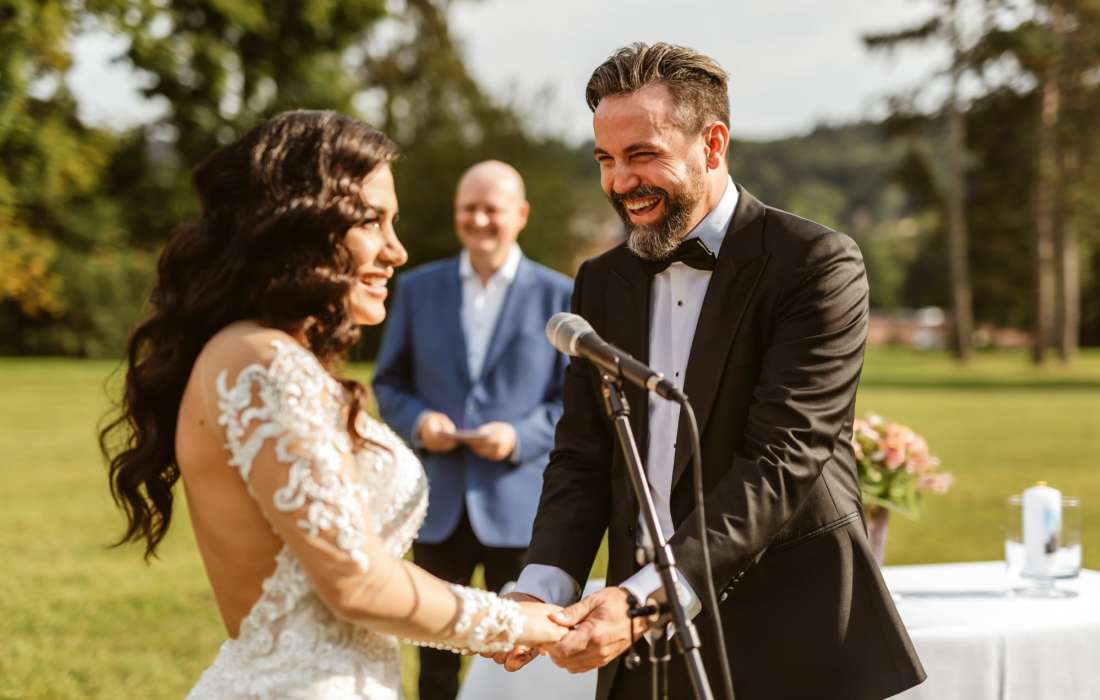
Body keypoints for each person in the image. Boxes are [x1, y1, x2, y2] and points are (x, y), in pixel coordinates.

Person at [500, 43, 927, 700]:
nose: (620, 181)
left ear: (713, 144)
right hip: (642, 652)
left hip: (793, 638)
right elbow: (583, 455)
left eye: (642, 154)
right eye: (606, 160)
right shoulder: (600, 282)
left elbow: (781, 460)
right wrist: (540, 588)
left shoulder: (816, 264)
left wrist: (645, 599)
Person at [98, 110, 566, 700]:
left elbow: (356, 568)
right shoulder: (263, 364)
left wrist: (499, 620)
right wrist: (515, 622)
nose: (397, 251)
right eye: (373, 221)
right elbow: (358, 585)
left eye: (393, 223)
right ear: (302, 222)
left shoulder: (264, 355)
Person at [372, 160, 572, 700]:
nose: (479, 219)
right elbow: (388, 381)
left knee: (523, 656)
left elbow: (574, 402)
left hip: (520, 505)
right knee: (435, 658)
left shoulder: (560, 294)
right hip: (436, 505)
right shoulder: (416, 288)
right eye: (469, 208)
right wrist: (419, 423)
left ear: (521, 214)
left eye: (492, 209)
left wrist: (520, 437)